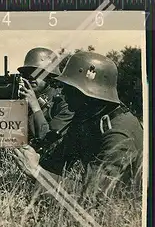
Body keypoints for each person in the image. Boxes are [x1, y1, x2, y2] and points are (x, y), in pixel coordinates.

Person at [13, 51, 143, 193]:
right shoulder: (87, 118)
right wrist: (37, 160)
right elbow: (59, 161)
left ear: (88, 94)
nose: (63, 94)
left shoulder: (117, 133)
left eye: (69, 89)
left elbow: (95, 196)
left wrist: (38, 173)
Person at [17, 47, 74, 146]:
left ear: (50, 75)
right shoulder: (25, 96)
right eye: (27, 73)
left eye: (37, 73)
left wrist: (35, 106)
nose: (31, 77)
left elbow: (49, 141)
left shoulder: (65, 103)